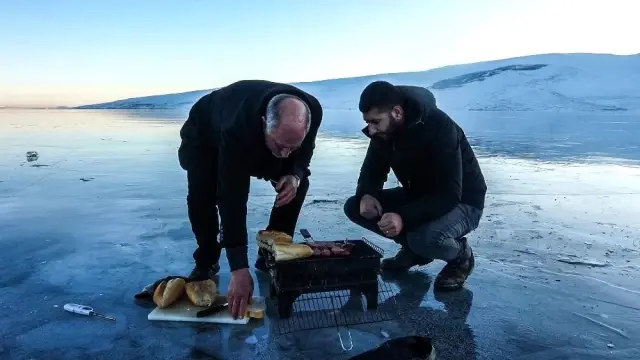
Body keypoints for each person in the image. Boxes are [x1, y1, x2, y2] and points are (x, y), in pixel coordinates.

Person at [178, 80, 323, 317]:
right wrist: (238, 269)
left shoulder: (312, 110)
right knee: (202, 195)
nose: (285, 153)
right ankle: (206, 259)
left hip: (256, 138)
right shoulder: (237, 127)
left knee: (297, 182)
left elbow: (303, 152)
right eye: (281, 145)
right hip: (205, 136)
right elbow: (232, 198)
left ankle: (271, 251)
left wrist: (294, 173)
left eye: (292, 145)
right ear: (265, 123)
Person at [343, 81, 487, 291]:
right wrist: (366, 194)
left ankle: (460, 256)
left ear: (397, 112)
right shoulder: (384, 132)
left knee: (423, 238)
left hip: (464, 202)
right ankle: (413, 251)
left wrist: (403, 217)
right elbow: (372, 170)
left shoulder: (439, 127)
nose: (371, 130)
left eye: (375, 122)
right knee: (355, 207)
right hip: (420, 195)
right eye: (368, 122)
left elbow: (448, 194)